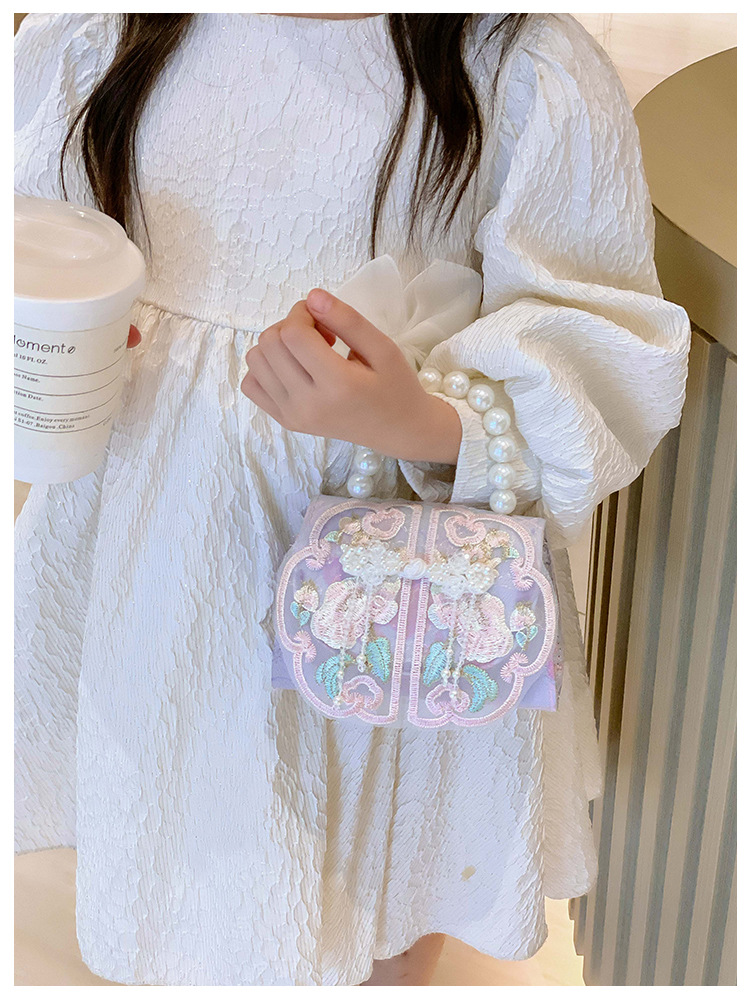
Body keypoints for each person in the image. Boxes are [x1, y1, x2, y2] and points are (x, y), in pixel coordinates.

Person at [14, 12, 690, 988]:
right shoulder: (102, 36)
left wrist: (422, 419)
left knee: (375, 890)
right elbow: (37, 232)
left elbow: (600, 343)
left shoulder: (520, 71)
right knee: (176, 830)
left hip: (385, 572)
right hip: (157, 545)